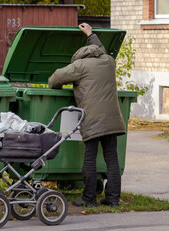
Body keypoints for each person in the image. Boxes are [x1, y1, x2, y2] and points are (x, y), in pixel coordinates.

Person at [48, 23, 126, 207]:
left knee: (90, 158)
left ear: (79, 55)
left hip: (92, 119)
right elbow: (101, 50)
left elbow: (54, 80)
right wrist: (90, 34)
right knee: (112, 158)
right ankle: (113, 199)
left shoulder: (79, 65)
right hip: (113, 118)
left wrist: (61, 86)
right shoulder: (108, 61)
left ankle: (89, 198)